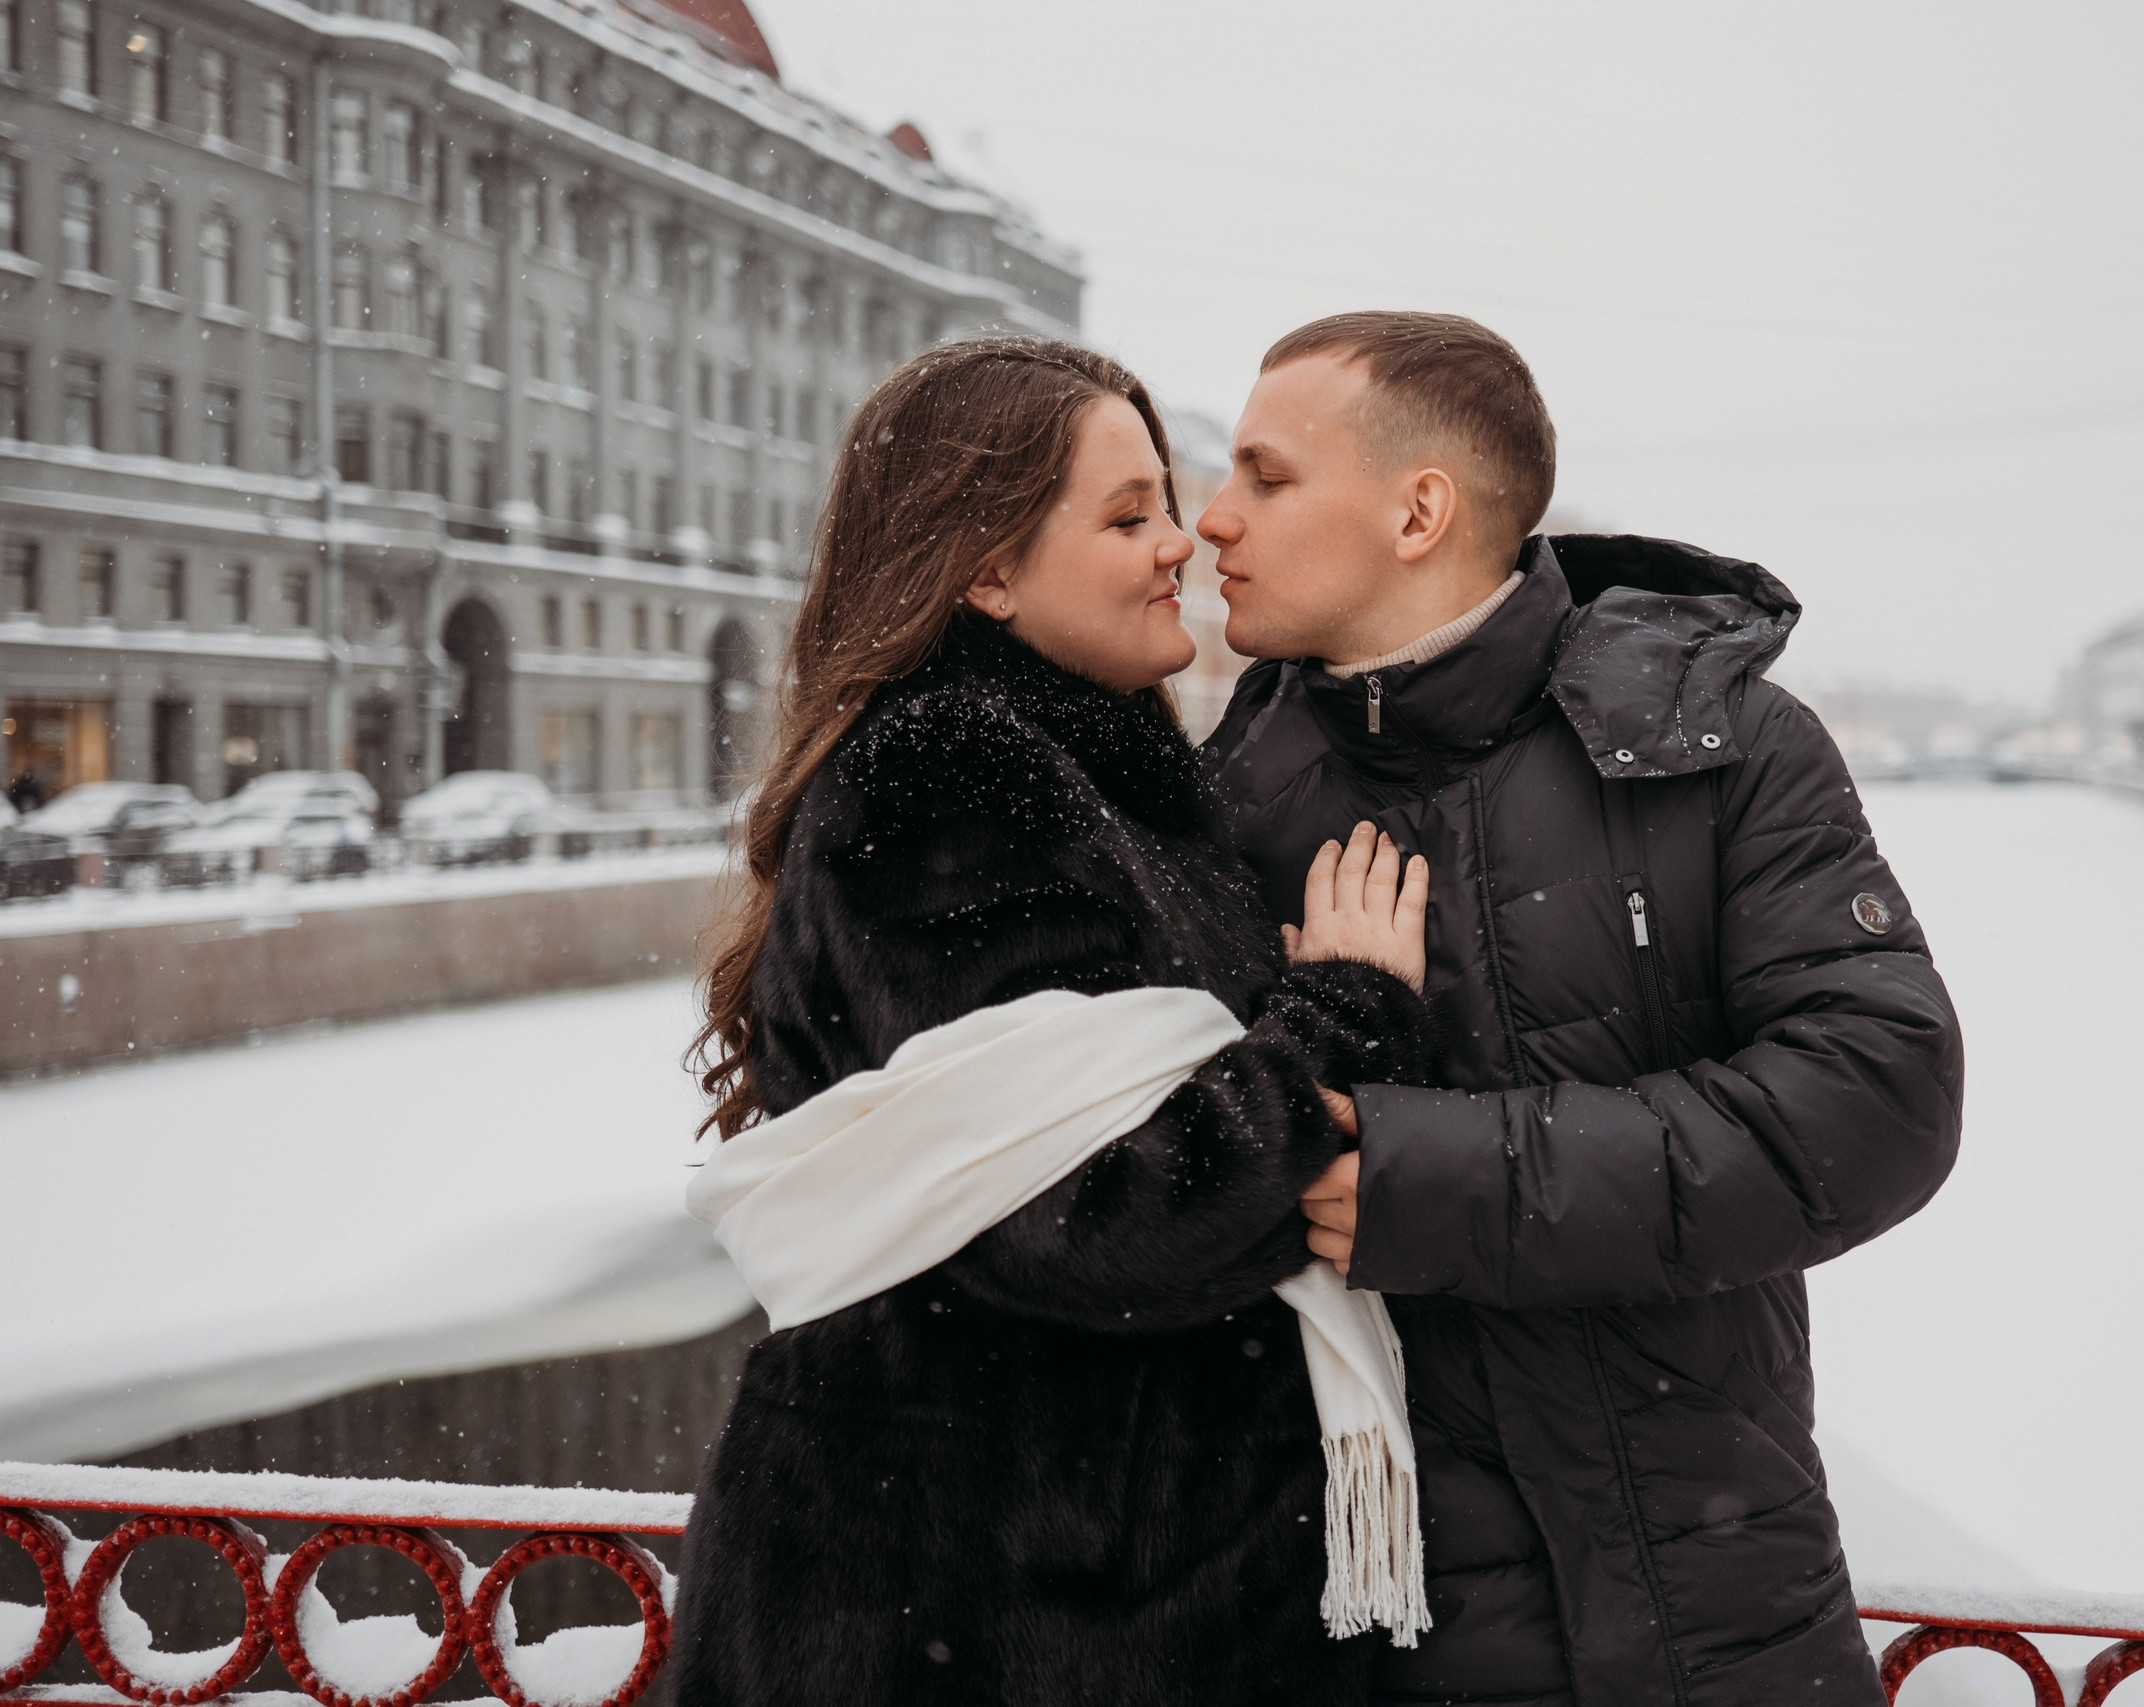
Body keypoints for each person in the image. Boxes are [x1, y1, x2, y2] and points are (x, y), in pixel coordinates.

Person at [1199, 311, 1965, 1707]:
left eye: (1265, 477)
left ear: (1418, 509)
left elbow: (1878, 1097)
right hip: (1358, 1631)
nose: (1211, 519)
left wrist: (1439, 1183)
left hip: (1714, 1619)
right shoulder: (1234, 791)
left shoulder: (1716, 740)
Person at [672, 339, 1439, 1706]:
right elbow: (1105, 1217)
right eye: (1128, 513)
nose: (1184, 543)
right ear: (988, 570)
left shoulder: (1088, 776)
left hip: (1004, 1594)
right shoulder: (951, 773)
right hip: (994, 1613)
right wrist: (1346, 1013)